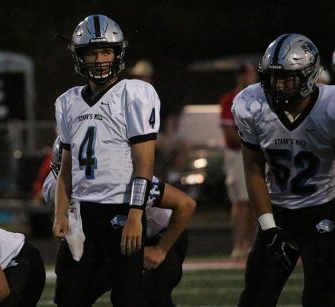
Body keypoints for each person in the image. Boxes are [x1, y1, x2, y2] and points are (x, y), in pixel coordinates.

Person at [52, 14, 161, 306]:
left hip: (120, 211)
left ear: (117, 53)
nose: (99, 59)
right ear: (79, 56)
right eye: (91, 52)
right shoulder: (67, 101)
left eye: (106, 51)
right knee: (68, 297)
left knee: (128, 298)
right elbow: (65, 168)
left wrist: (135, 214)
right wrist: (61, 213)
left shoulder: (135, 93)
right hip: (83, 215)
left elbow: (144, 164)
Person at [233, 33, 335, 306]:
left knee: (321, 297)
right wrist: (268, 227)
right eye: (273, 77)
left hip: (323, 209)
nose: (279, 85)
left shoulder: (330, 107)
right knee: (255, 298)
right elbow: (253, 169)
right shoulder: (251, 104)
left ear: (310, 75)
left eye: (288, 78)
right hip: (278, 213)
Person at [44, 137, 196, 306]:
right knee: (72, 292)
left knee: (142, 296)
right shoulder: (54, 186)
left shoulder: (123, 181)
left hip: (160, 237)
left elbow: (186, 204)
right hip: (113, 238)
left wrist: (161, 249)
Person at [219, 63, 258, 259]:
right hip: (238, 155)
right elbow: (229, 132)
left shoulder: (261, 98)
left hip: (255, 154)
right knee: (241, 202)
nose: (249, 76)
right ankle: (239, 244)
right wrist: (253, 144)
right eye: (245, 73)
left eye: (251, 72)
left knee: (255, 201)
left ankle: (252, 245)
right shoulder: (230, 100)